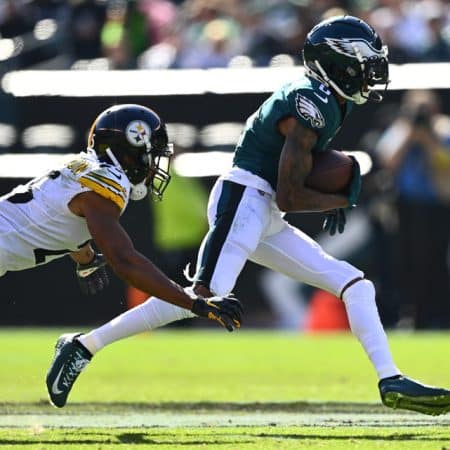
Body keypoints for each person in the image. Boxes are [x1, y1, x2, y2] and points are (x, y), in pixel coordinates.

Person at [46, 16, 450, 415]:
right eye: (364, 62)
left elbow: (286, 192)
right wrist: (339, 197)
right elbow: (290, 195)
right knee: (202, 297)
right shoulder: (312, 101)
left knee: (355, 284)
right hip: (244, 199)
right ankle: (84, 345)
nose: (371, 72)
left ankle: (390, 379)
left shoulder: (326, 98)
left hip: (262, 206)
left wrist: (335, 194)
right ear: (338, 62)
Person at [0, 103, 243, 403]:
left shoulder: (86, 169)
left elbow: (54, 214)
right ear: (128, 152)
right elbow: (125, 262)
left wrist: (85, 258)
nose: (154, 165)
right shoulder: (106, 183)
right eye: (150, 154)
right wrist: (193, 303)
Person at [375, 90, 450, 328]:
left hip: (438, 206)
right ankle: (409, 314)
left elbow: (444, 163)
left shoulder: (444, 129)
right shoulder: (400, 130)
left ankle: (439, 315)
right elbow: (387, 161)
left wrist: (428, 140)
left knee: (437, 261)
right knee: (405, 262)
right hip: (405, 208)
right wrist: (409, 135)